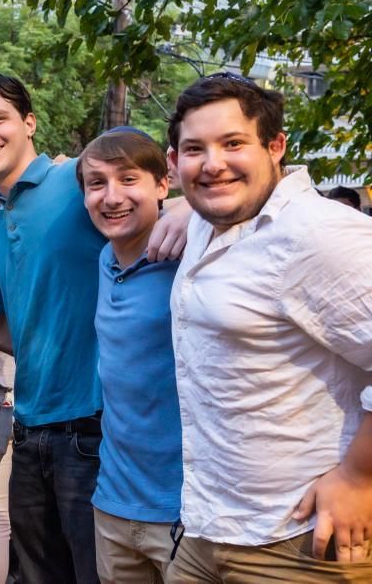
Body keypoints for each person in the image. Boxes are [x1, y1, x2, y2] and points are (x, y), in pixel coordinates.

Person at [0, 71, 189, 584]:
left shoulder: (76, 178)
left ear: (28, 122)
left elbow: (152, 176)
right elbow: (14, 330)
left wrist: (187, 208)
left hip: (97, 431)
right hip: (29, 430)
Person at [166, 73, 372, 581]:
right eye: (195, 149)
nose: (213, 163)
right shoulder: (206, 220)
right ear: (173, 163)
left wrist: (360, 476)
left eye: (233, 143)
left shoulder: (318, 233)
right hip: (207, 526)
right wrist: (172, 208)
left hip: (298, 541)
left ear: (275, 146)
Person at [76, 128, 182, 583]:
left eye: (128, 179)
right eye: (97, 183)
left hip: (185, 508)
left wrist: (193, 208)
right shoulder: (105, 258)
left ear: (163, 183)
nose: (111, 196)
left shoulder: (194, 254)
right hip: (114, 500)